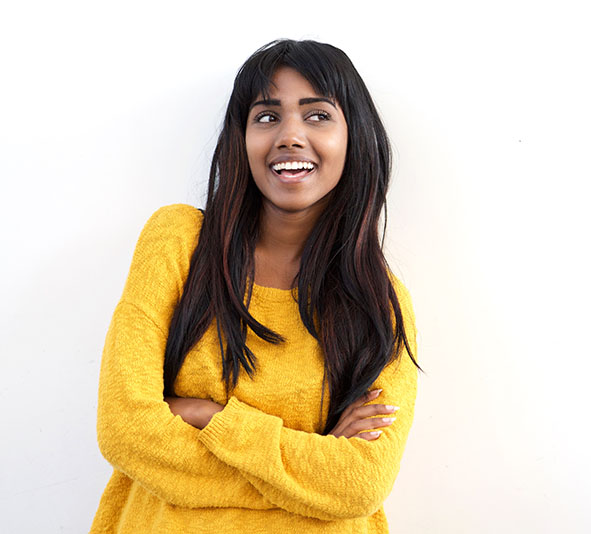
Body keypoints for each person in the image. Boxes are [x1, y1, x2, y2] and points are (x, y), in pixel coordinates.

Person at [90, 39, 420, 534]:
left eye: (317, 116)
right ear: (240, 138)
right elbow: (125, 430)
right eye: (267, 116)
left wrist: (210, 415)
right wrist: (307, 474)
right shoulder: (179, 243)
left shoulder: (379, 301)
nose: (290, 135)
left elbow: (359, 484)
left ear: (355, 136)